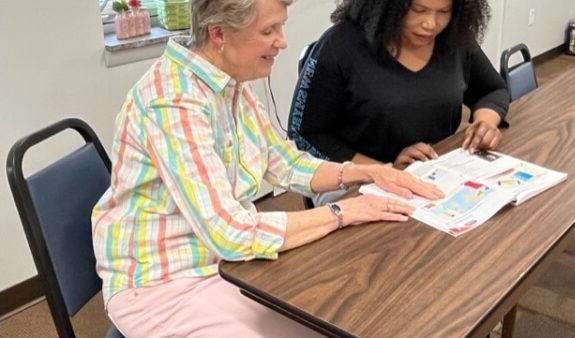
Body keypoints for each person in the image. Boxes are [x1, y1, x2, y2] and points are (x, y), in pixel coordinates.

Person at [91, 0, 444, 336]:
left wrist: (369, 173)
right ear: (219, 34)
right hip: (163, 283)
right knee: (330, 320)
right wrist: (345, 211)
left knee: (339, 315)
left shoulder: (231, 86)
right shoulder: (173, 104)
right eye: (269, 30)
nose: (282, 41)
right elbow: (232, 233)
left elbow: (287, 164)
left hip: (223, 265)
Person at [288, 0, 509, 205]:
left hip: (433, 171)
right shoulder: (341, 45)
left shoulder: (454, 39)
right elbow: (305, 133)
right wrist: (383, 170)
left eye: (443, 12)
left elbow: (493, 89)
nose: (430, 24)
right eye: (418, 10)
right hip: (352, 178)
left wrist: (485, 123)